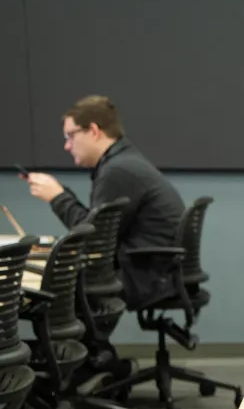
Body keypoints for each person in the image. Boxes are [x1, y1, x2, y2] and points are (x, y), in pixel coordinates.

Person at [22, 95, 185, 309]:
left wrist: (57, 197)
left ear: (94, 131)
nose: (67, 146)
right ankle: (87, 342)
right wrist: (60, 194)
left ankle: (81, 343)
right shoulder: (123, 162)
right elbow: (97, 230)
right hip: (153, 271)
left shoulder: (117, 171)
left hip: (146, 277)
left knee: (50, 293)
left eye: (70, 136)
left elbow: (93, 243)